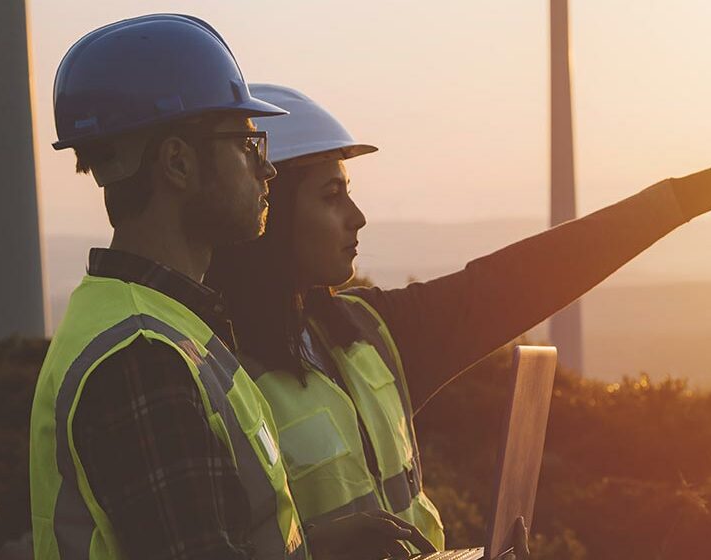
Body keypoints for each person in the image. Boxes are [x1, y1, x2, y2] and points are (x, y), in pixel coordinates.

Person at [203, 83, 711, 552]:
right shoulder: (209, 369)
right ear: (269, 211)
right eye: (331, 196)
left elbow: (523, 279)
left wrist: (684, 199)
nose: (357, 217)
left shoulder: (369, 332)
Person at [26, 15, 426, 560]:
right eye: (246, 144)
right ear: (177, 163)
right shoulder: (143, 359)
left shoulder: (164, 326)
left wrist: (317, 550)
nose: (266, 170)